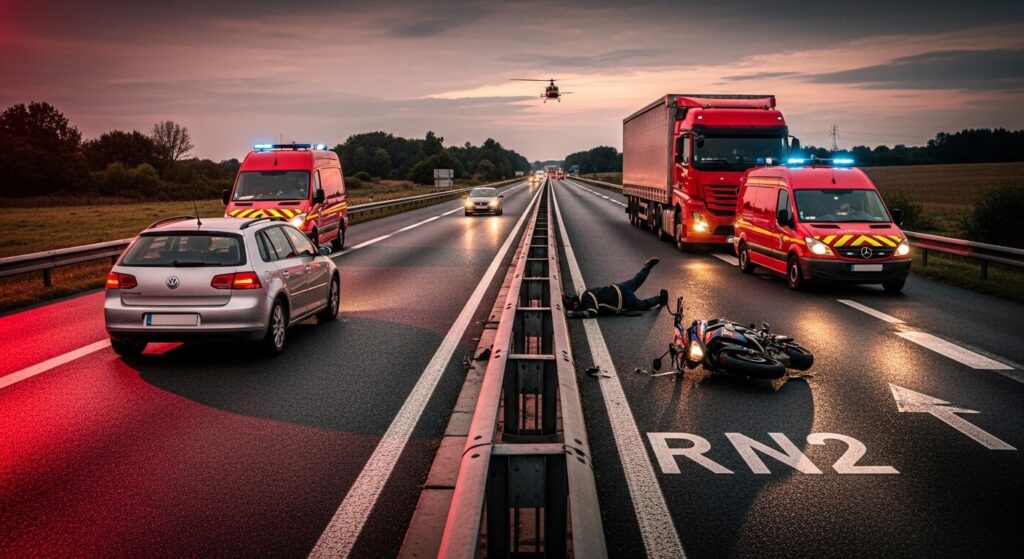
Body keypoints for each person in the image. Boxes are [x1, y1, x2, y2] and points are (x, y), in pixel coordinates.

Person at [564, 258, 668, 318]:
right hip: (619, 287)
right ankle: (647, 266)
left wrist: (573, 314)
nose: (575, 306)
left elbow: (592, 312)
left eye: (574, 305)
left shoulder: (586, 299)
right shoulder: (586, 293)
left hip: (622, 299)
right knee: (637, 280)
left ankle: (660, 298)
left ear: (575, 303)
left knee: (642, 305)